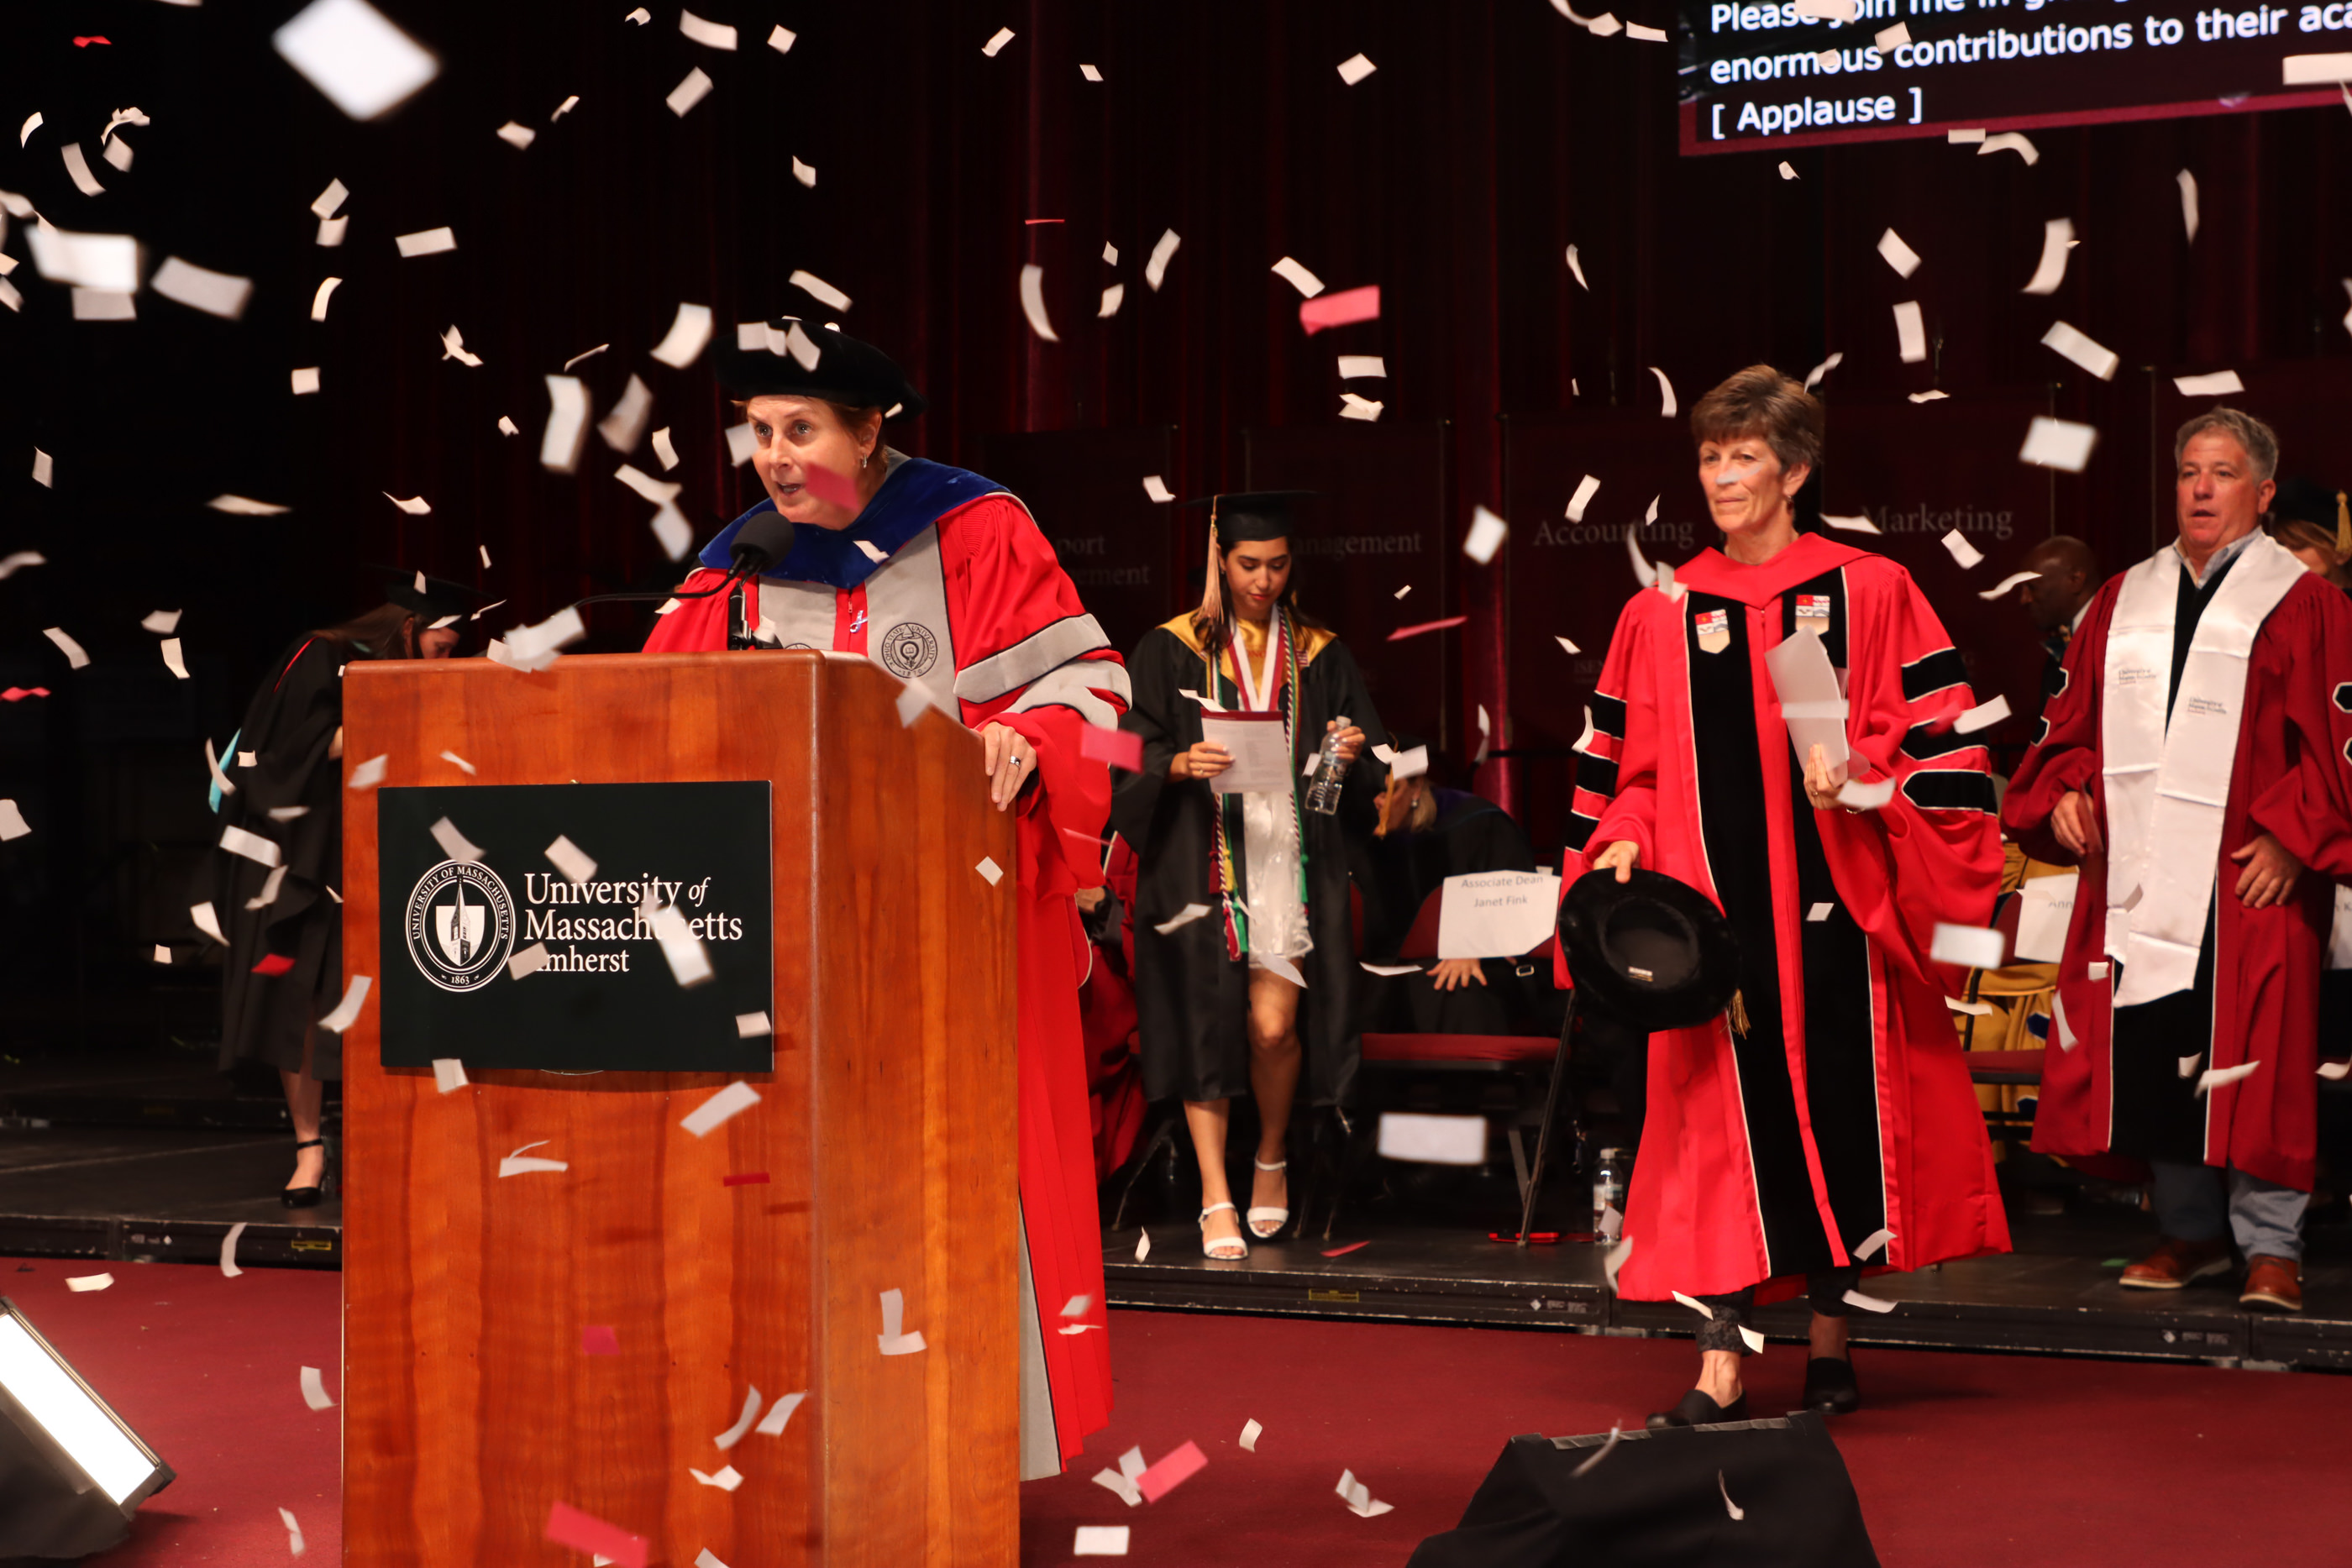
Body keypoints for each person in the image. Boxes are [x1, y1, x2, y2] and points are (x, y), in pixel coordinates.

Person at [642, 320, 1127, 1477]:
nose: (773, 454)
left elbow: (1094, 687)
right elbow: (650, 717)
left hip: (950, 927)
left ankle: (967, 1445)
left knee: (949, 1176)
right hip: (784, 943)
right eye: (759, 430)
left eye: (799, 429)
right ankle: (792, 1444)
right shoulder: (738, 562)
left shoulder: (974, 526)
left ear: (868, 431)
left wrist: (1027, 734)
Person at [1567, 365, 2008, 1426]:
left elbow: (1946, 751)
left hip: (1836, 915)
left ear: (1795, 471)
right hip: (1713, 929)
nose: (1722, 477)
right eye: (1709, 457)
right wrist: (1621, 836)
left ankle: (1829, 1341)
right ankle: (1720, 1363)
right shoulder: (1659, 612)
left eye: (1744, 457)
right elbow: (1631, 772)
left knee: (1844, 1121)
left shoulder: (1874, 590)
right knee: (1713, 1138)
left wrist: (1861, 778)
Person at [2003, 408, 2352, 1314]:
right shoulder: (2124, 600)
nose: (2201, 488)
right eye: (2190, 471)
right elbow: (2070, 726)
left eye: (2223, 473)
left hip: (2249, 875)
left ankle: (2270, 1245)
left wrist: (2297, 836)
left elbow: (2336, 742)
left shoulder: (2306, 603)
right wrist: (2067, 789)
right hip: (2139, 869)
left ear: (2263, 494)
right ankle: (2191, 1230)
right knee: (2157, 1037)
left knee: (2260, 1052)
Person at [1112, 492, 1389, 1260]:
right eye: (1248, 565)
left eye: (1277, 564)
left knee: (1273, 1027)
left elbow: (1377, 762)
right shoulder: (1168, 647)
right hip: (1201, 856)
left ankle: (1270, 1155)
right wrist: (1175, 761)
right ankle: (1215, 1194)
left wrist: (1350, 748)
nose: (1264, 580)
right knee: (1206, 1025)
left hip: (1287, 859)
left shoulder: (1320, 652)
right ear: (1219, 561)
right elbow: (1113, 746)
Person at [213, 574, 470, 1205]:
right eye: (440, 648)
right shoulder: (321, 652)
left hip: (390, 847)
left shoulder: (404, 673)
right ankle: (310, 1147)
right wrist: (395, 715)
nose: (442, 661)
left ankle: (395, 1141)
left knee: (393, 997)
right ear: (408, 627)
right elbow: (278, 752)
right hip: (309, 854)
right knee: (301, 1001)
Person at [1355, 738, 1551, 1036]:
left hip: (1483, 960)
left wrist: (1474, 946)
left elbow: (1518, 911)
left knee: (1451, 988)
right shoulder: (1361, 841)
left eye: (1387, 791)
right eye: (1368, 793)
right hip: (1394, 964)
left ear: (1417, 788)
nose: (1376, 803)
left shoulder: (1478, 823)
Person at [2011, 536, 2101, 725]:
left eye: (2033, 588)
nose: (2024, 599)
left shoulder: (2114, 638)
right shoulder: (2061, 644)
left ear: (2075, 580)